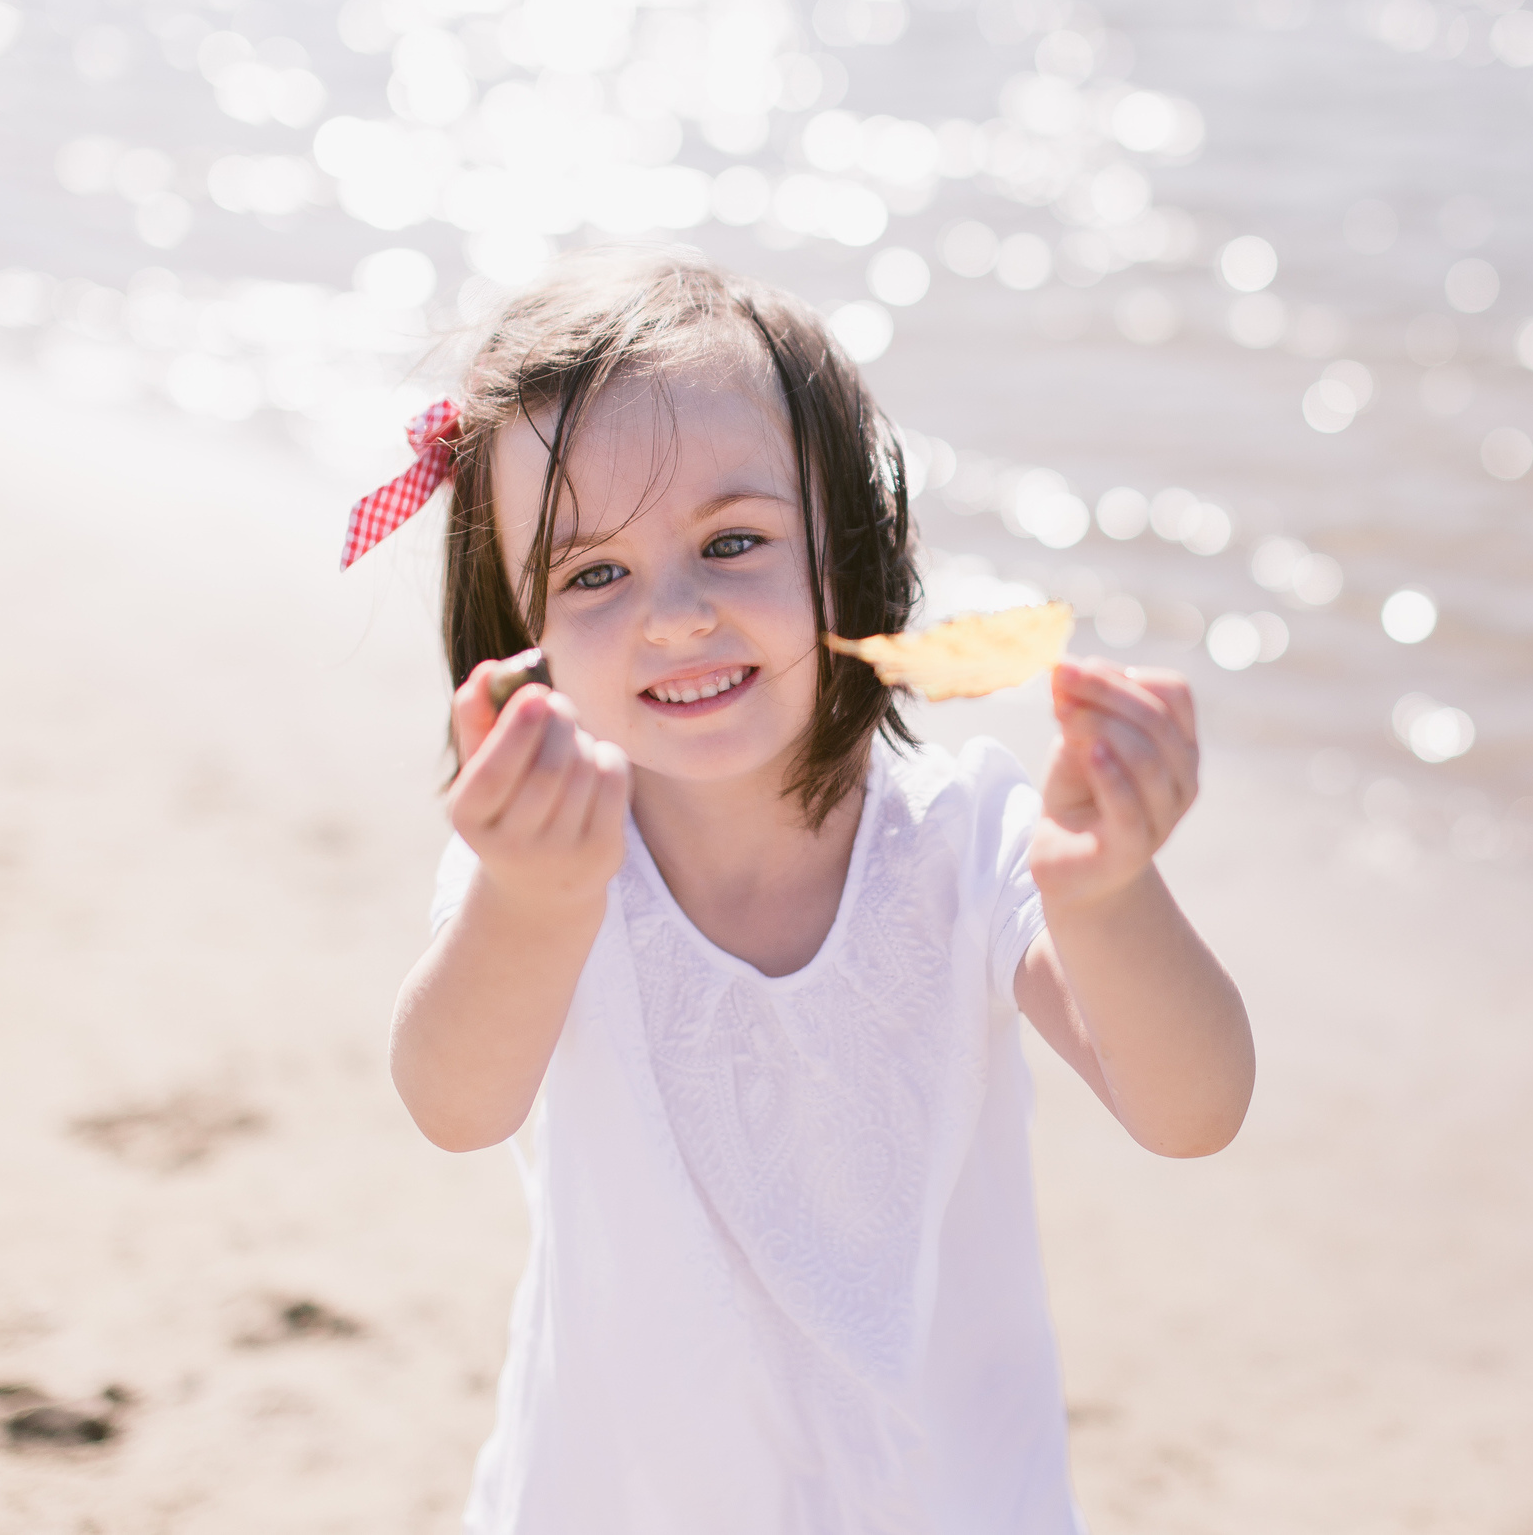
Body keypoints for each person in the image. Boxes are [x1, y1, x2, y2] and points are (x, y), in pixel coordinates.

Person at [343, 246, 1256, 1533]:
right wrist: (533, 903)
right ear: (517, 638)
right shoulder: (547, 869)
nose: (675, 614)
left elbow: (1193, 1109)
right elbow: (452, 1102)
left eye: (733, 541)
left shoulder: (967, 841)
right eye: (593, 573)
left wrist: (1109, 896)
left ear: (854, 556)